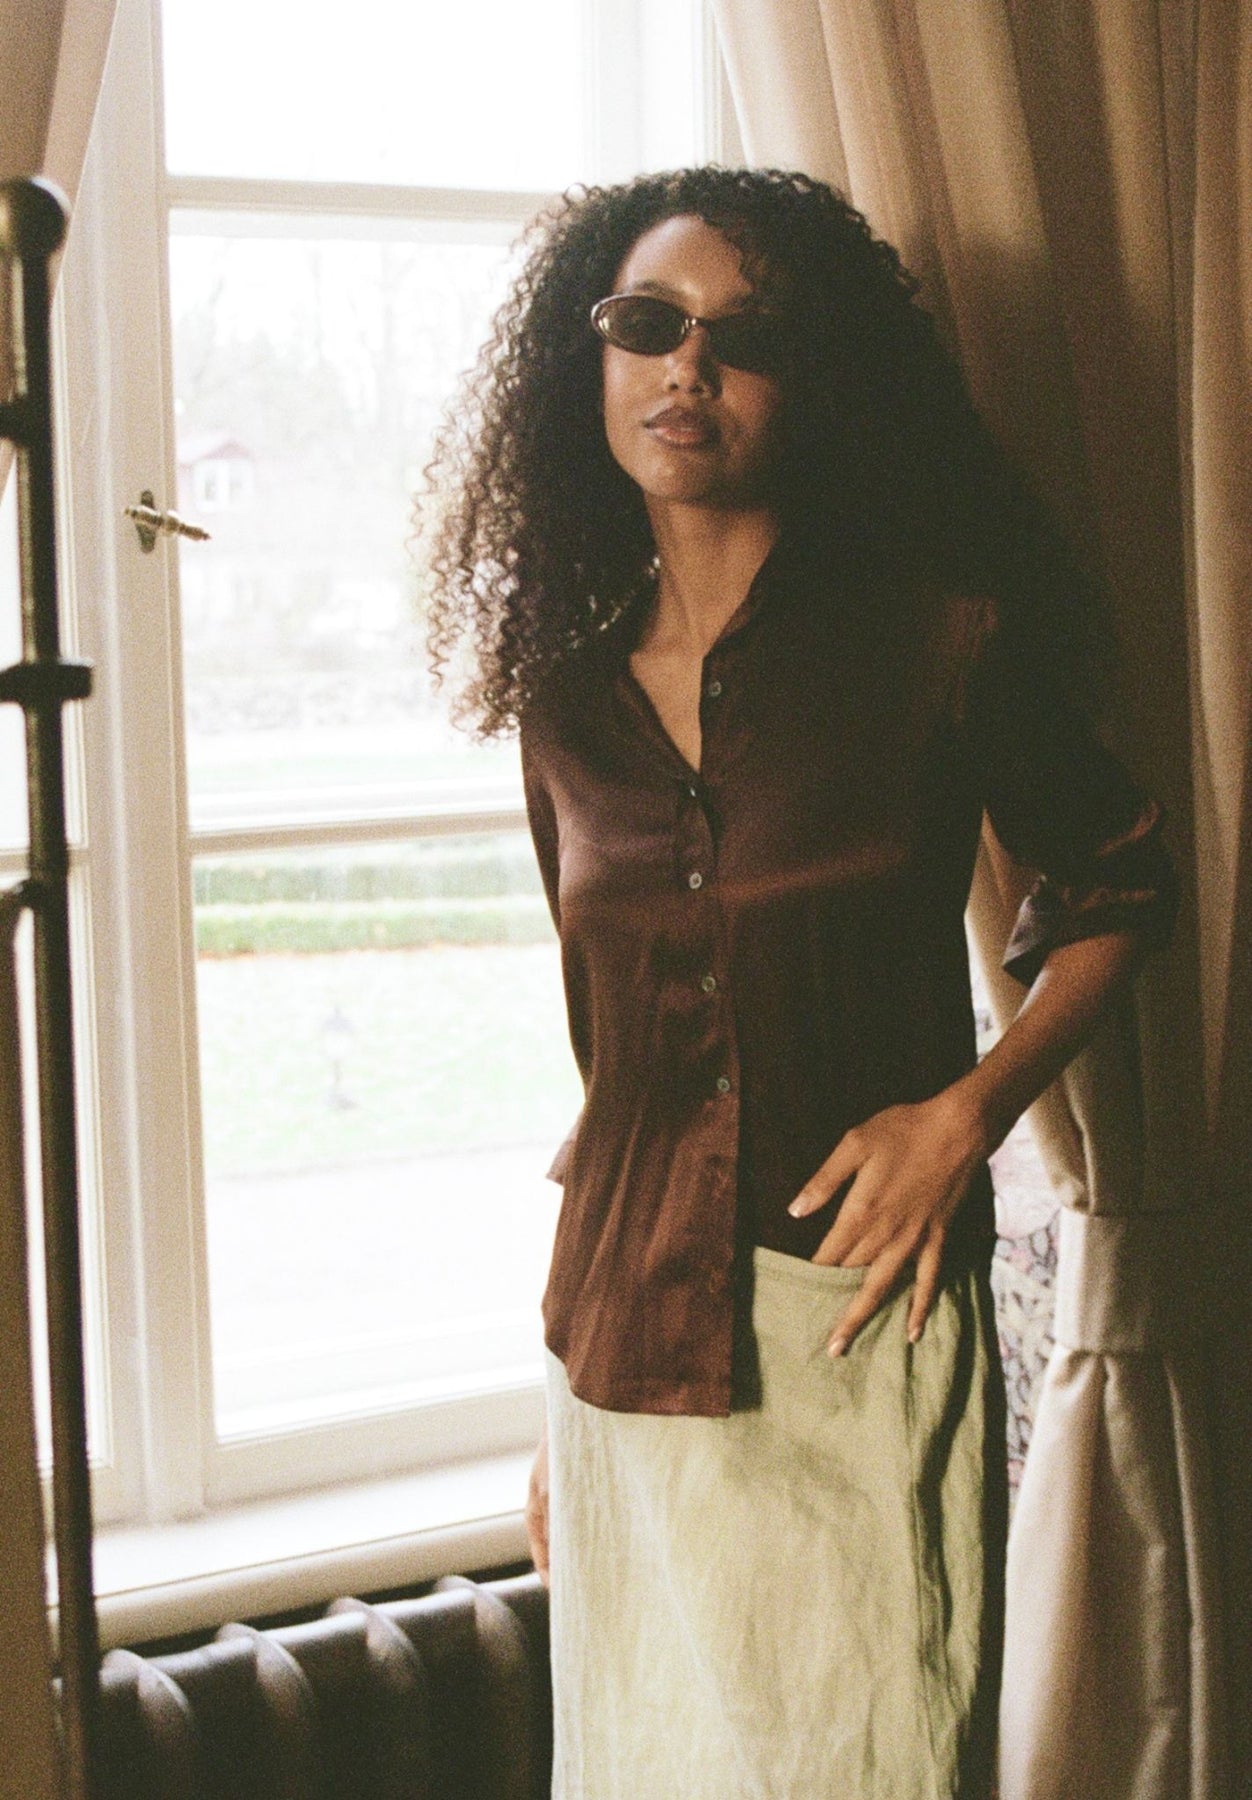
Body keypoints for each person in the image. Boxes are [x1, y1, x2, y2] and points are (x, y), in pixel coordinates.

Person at [418, 167, 1176, 1800]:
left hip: (853, 1318)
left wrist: (969, 1114)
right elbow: (623, 1060)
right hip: (619, 1349)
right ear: (590, 361)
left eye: (742, 337)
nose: (687, 367)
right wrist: (560, 1401)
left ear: (812, 380)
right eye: (648, 323)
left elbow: (1120, 879)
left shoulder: (936, 639)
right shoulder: (565, 701)